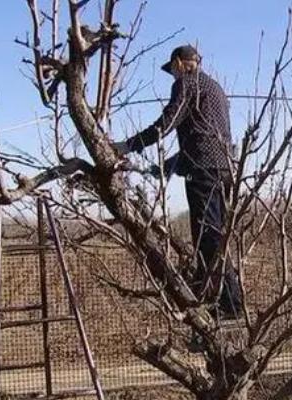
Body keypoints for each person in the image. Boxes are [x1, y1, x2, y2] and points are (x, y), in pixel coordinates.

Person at [114, 45, 243, 319]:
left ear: (178, 63)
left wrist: (129, 145)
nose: (172, 77)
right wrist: (166, 165)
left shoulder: (186, 83)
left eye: (172, 70)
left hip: (203, 173)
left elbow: (167, 122)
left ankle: (228, 307)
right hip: (223, 170)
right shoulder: (215, 88)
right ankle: (213, 294)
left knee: (208, 238)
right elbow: (203, 136)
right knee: (216, 237)